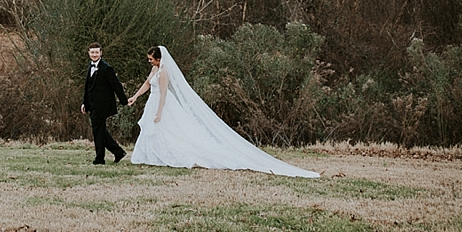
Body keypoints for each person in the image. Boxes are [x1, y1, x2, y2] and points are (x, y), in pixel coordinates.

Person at [127, 46, 319, 178]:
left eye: (151, 59)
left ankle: (168, 156)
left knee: (169, 130)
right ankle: (150, 156)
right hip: (151, 101)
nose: (149, 61)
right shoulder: (153, 70)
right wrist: (135, 97)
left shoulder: (163, 72)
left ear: (159, 59)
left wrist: (160, 112)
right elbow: (146, 84)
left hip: (162, 104)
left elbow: (163, 95)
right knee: (152, 132)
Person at [81, 42, 129, 165]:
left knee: (98, 131)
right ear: (88, 53)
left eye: (97, 52)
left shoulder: (106, 68)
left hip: (102, 105)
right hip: (91, 104)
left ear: (101, 53)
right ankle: (118, 152)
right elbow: (87, 87)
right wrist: (84, 103)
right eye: (92, 52)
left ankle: (99, 159)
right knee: (100, 130)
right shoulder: (89, 65)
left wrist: (124, 101)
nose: (94, 54)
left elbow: (116, 85)